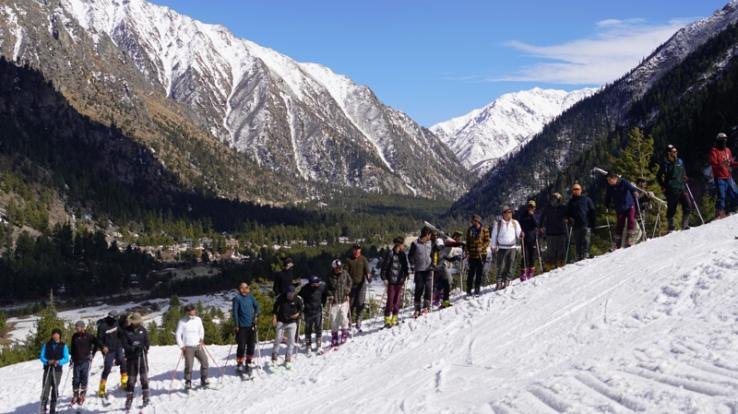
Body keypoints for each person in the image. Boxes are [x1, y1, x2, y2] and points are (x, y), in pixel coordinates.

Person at [656, 144, 692, 231]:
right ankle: (671, 227)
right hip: (671, 189)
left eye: (676, 151)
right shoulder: (665, 164)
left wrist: (685, 176)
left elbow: (683, 171)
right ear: (669, 153)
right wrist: (663, 185)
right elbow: (658, 176)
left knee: (688, 205)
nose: (676, 153)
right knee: (672, 208)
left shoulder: (680, 161)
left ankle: (685, 225)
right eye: (674, 152)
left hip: (681, 187)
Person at [175, 304, 208, 390]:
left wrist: (201, 338)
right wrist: (181, 346)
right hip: (188, 347)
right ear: (186, 312)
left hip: (198, 345)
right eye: (189, 312)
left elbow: (201, 330)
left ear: (195, 310)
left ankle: (204, 379)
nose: (191, 313)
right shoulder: (182, 321)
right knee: (189, 366)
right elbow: (178, 334)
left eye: (193, 311)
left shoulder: (198, 319)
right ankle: (188, 382)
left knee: (205, 361)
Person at [604, 171, 640, 248]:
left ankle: (631, 238)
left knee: (631, 219)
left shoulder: (623, 182)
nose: (609, 182)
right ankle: (617, 242)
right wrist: (606, 205)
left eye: (610, 180)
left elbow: (631, 188)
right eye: (608, 180)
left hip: (629, 204)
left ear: (615, 178)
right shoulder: (610, 187)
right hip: (619, 207)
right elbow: (608, 197)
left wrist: (635, 192)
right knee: (620, 224)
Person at [96, 310, 127, 397]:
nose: (116, 320)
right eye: (115, 318)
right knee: (107, 368)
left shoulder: (116, 323)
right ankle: (102, 388)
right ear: (110, 317)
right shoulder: (102, 326)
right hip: (108, 350)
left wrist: (125, 334)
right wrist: (103, 347)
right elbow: (99, 339)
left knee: (123, 362)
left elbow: (120, 333)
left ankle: (124, 382)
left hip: (118, 347)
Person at [380, 237, 410, 327]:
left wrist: (406, 274)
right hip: (391, 281)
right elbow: (384, 268)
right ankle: (387, 319)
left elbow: (405, 266)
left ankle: (395, 318)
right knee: (390, 300)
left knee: (397, 301)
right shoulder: (390, 254)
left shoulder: (403, 255)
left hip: (400, 281)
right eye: (402, 244)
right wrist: (384, 278)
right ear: (398, 245)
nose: (403, 246)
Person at [122, 312, 149, 411]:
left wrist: (144, 347)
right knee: (131, 380)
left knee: (144, 378)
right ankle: (129, 399)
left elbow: (147, 342)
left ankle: (145, 396)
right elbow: (125, 345)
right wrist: (132, 347)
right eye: (134, 322)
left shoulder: (143, 330)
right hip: (131, 358)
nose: (136, 324)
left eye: (138, 322)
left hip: (142, 358)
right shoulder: (126, 331)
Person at [39, 328, 70, 414]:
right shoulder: (46, 345)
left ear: (60, 335)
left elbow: (66, 358)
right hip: (47, 369)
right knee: (45, 388)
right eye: (54, 334)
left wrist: (59, 362)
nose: (55, 336)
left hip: (57, 370)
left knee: (55, 387)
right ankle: (43, 406)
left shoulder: (63, 345)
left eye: (57, 334)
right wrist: (47, 361)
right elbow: (41, 356)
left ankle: (53, 406)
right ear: (52, 335)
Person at [271, 285, 304, 367]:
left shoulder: (297, 299)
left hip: (292, 322)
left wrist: (298, 314)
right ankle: (274, 356)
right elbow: (275, 307)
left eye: (292, 293)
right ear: (286, 293)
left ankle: (288, 357)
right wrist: (274, 317)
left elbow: (302, 308)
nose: (290, 295)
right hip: (281, 321)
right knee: (278, 338)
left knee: (291, 340)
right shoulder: (281, 298)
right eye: (289, 293)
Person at [232, 282, 259, 377]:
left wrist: (256, 315)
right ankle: (239, 363)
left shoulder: (251, 297)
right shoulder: (237, 299)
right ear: (239, 289)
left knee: (251, 345)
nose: (244, 290)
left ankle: (248, 362)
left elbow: (257, 306)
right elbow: (235, 312)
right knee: (242, 346)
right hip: (241, 327)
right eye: (242, 288)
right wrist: (236, 325)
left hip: (251, 325)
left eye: (246, 288)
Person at [491, 205, 521, 290]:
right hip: (502, 248)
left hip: (512, 247)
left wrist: (521, 235)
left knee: (510, 265)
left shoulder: (515, 223)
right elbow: (494, 235)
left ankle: (507, 281)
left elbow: (518, 234)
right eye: (507, 212)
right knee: (501, 266)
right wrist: (493, 246)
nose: (509, 214)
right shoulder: (498, 224)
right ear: (503, 214)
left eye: (510, 212)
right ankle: (499, 282)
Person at [709, 132, 738, 218]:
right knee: (721, 196)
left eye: (725, 140)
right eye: (722, 140)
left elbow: (730, 163)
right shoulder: (714, 151)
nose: (724, 142)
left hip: (728, 176)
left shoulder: (727, 150)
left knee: (735, 193)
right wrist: (722, 164)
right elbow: (713, 164)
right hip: (719, 178)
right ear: (718, 141)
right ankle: (720, 213)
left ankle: (734, 209)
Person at [432, 231, 464, 308]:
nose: (440, 247)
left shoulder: (442, 250)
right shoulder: (433, 250)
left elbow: (448, 258)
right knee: (441, 284)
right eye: (439, 246)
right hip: (435, 270)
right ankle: (436, 299)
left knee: (446, 283)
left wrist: (456, 258)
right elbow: (432, 261)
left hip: (441, 268)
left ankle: (444, 301)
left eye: (441, 246)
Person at [70, 321, 97, 407]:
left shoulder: (89, 336)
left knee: (84, 378)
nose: (77, 329)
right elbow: (72, 348)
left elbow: (97, 343)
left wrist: (93, 353)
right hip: (77, 361)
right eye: (76, 327)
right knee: (76, 379)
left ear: (83, 328)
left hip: (86, 361)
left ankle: (82, 395)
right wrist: (72, 358)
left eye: (78, 327)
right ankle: (75, 395)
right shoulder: (74, 336)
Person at [566, 183, 596, 261]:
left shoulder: (587, 199)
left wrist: (592, 223)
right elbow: (568, 213)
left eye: (577, 189)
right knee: (577, 241)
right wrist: (569, 219)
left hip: (586, 223)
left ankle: (586, 254)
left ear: (581, 190)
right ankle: (578, 255)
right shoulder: (571, 202)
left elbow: (592, 210)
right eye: (574, 189)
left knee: (586, 240)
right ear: (572, 191)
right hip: (576, 225)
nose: (576, 191)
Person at [298, 275, 327, 353]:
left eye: (318, 282)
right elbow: (299, 297)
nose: (318, 284)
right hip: (308, 311)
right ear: (312, 284)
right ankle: (308, 345)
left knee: (318, 328)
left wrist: (323, 303)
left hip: (318, 310)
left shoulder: (321, 287)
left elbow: (325, 295)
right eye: (316, 283)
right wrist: (301, 305)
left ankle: (319, 345)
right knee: (308, 329)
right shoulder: (305, 289)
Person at [326, 259, 352, 346]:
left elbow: (350, 282)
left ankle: (344, 333)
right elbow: (328, 288)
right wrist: (330, 295)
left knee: (344, 317)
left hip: (344, 299)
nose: (339, 269)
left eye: (340, 267)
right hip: (334, 301)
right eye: (338, 268)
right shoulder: (329, 276)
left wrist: (347, 290)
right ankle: (334, 336)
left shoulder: (345, 273)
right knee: (334, 319)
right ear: (333, 268)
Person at [409, 226, 434, 316]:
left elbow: (433, 254)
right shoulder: (415, 244)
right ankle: (417, 309)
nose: (430, 237)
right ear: (427, 234)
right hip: (419, 270)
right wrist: (412, 265)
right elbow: (410, 256)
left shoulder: (430, 243)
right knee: (419, 289)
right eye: (430, 235)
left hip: (429, 269)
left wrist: (434, 262)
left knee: (428, 288)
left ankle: (426, 307)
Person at [346, 243, 370, 333]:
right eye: (355, 250)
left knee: (360, 303)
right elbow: (345, 274)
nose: (356, 251)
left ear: (360, 250)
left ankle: (358, 321)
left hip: (361, 285)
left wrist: (369, 277)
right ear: (353, 250)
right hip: (351, 286)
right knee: (351, 304)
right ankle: (349, 322)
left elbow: (367, 271)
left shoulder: (363, 259)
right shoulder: (348, 260)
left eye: (358, 250)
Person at [464, 214, 490, 296]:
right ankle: (468, 289)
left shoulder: (484, 230)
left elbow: (487, 241)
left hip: (481, 255)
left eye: (474, 221)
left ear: (478, 221)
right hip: (472, 255)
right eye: (472, 221)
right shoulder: (470, 230)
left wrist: (482, 248)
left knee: (479, 273)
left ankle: (477, 288)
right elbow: (467, 241)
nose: (473, 222)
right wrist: (466, 250)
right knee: (471, 273)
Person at [541, 192, 568, 269]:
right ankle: (549, 267)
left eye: (555, 198)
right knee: (550, 252)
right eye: (552, 198)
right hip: (550, 233)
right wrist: (541, 227)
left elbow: (567, 215)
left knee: (561, 251)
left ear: (559, 200)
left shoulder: (563, 207)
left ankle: (561, 265)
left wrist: (569, 219)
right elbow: (542, 218)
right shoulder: (547, 208)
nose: (553, 200)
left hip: (561, 232)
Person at [518, 200, 541, 281]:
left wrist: (532, 216)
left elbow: (537, 224)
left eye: (532, 207)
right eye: (529, 206)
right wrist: (520, 232)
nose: (530, 208)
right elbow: (519, 225)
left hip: (533, 238)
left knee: (532, 256)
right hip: (524, 238)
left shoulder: (536, 214)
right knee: (524, 256)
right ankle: (523, 273)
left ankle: (531, 272)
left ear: (534, 207)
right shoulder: (523, 215)